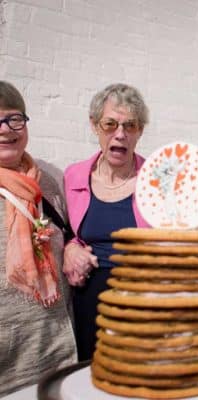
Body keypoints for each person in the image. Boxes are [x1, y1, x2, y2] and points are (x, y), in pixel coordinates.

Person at [0, 81, 77, 396]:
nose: (5, 129)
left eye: (14, 118)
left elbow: (69, 238)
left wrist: (73, 248)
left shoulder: (49, 185)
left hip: (56, 357)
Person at [63, 83, 149, 361]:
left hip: (140, 301)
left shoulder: (158, 180)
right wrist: (70, 248)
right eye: (110, 124)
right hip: (89, 301)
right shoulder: (74, 176)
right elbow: (67, 232)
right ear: (95, 126)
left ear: (140, 131)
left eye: (130, 126)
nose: (120, 134)